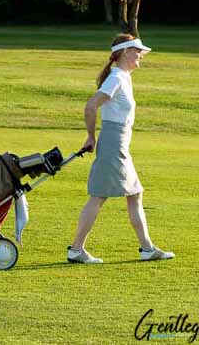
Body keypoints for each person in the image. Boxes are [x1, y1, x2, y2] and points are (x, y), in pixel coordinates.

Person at [66, 33, 174, 264]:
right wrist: (90, 137)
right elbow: (91, 106)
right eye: (137, 51)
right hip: (113, 143)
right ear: (125, 52)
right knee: (99, 196)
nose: (141, 56)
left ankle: (147, 248)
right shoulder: (116, 78)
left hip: (119, 143)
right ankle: (76, 250)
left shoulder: (123, 77)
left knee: (135, 194)